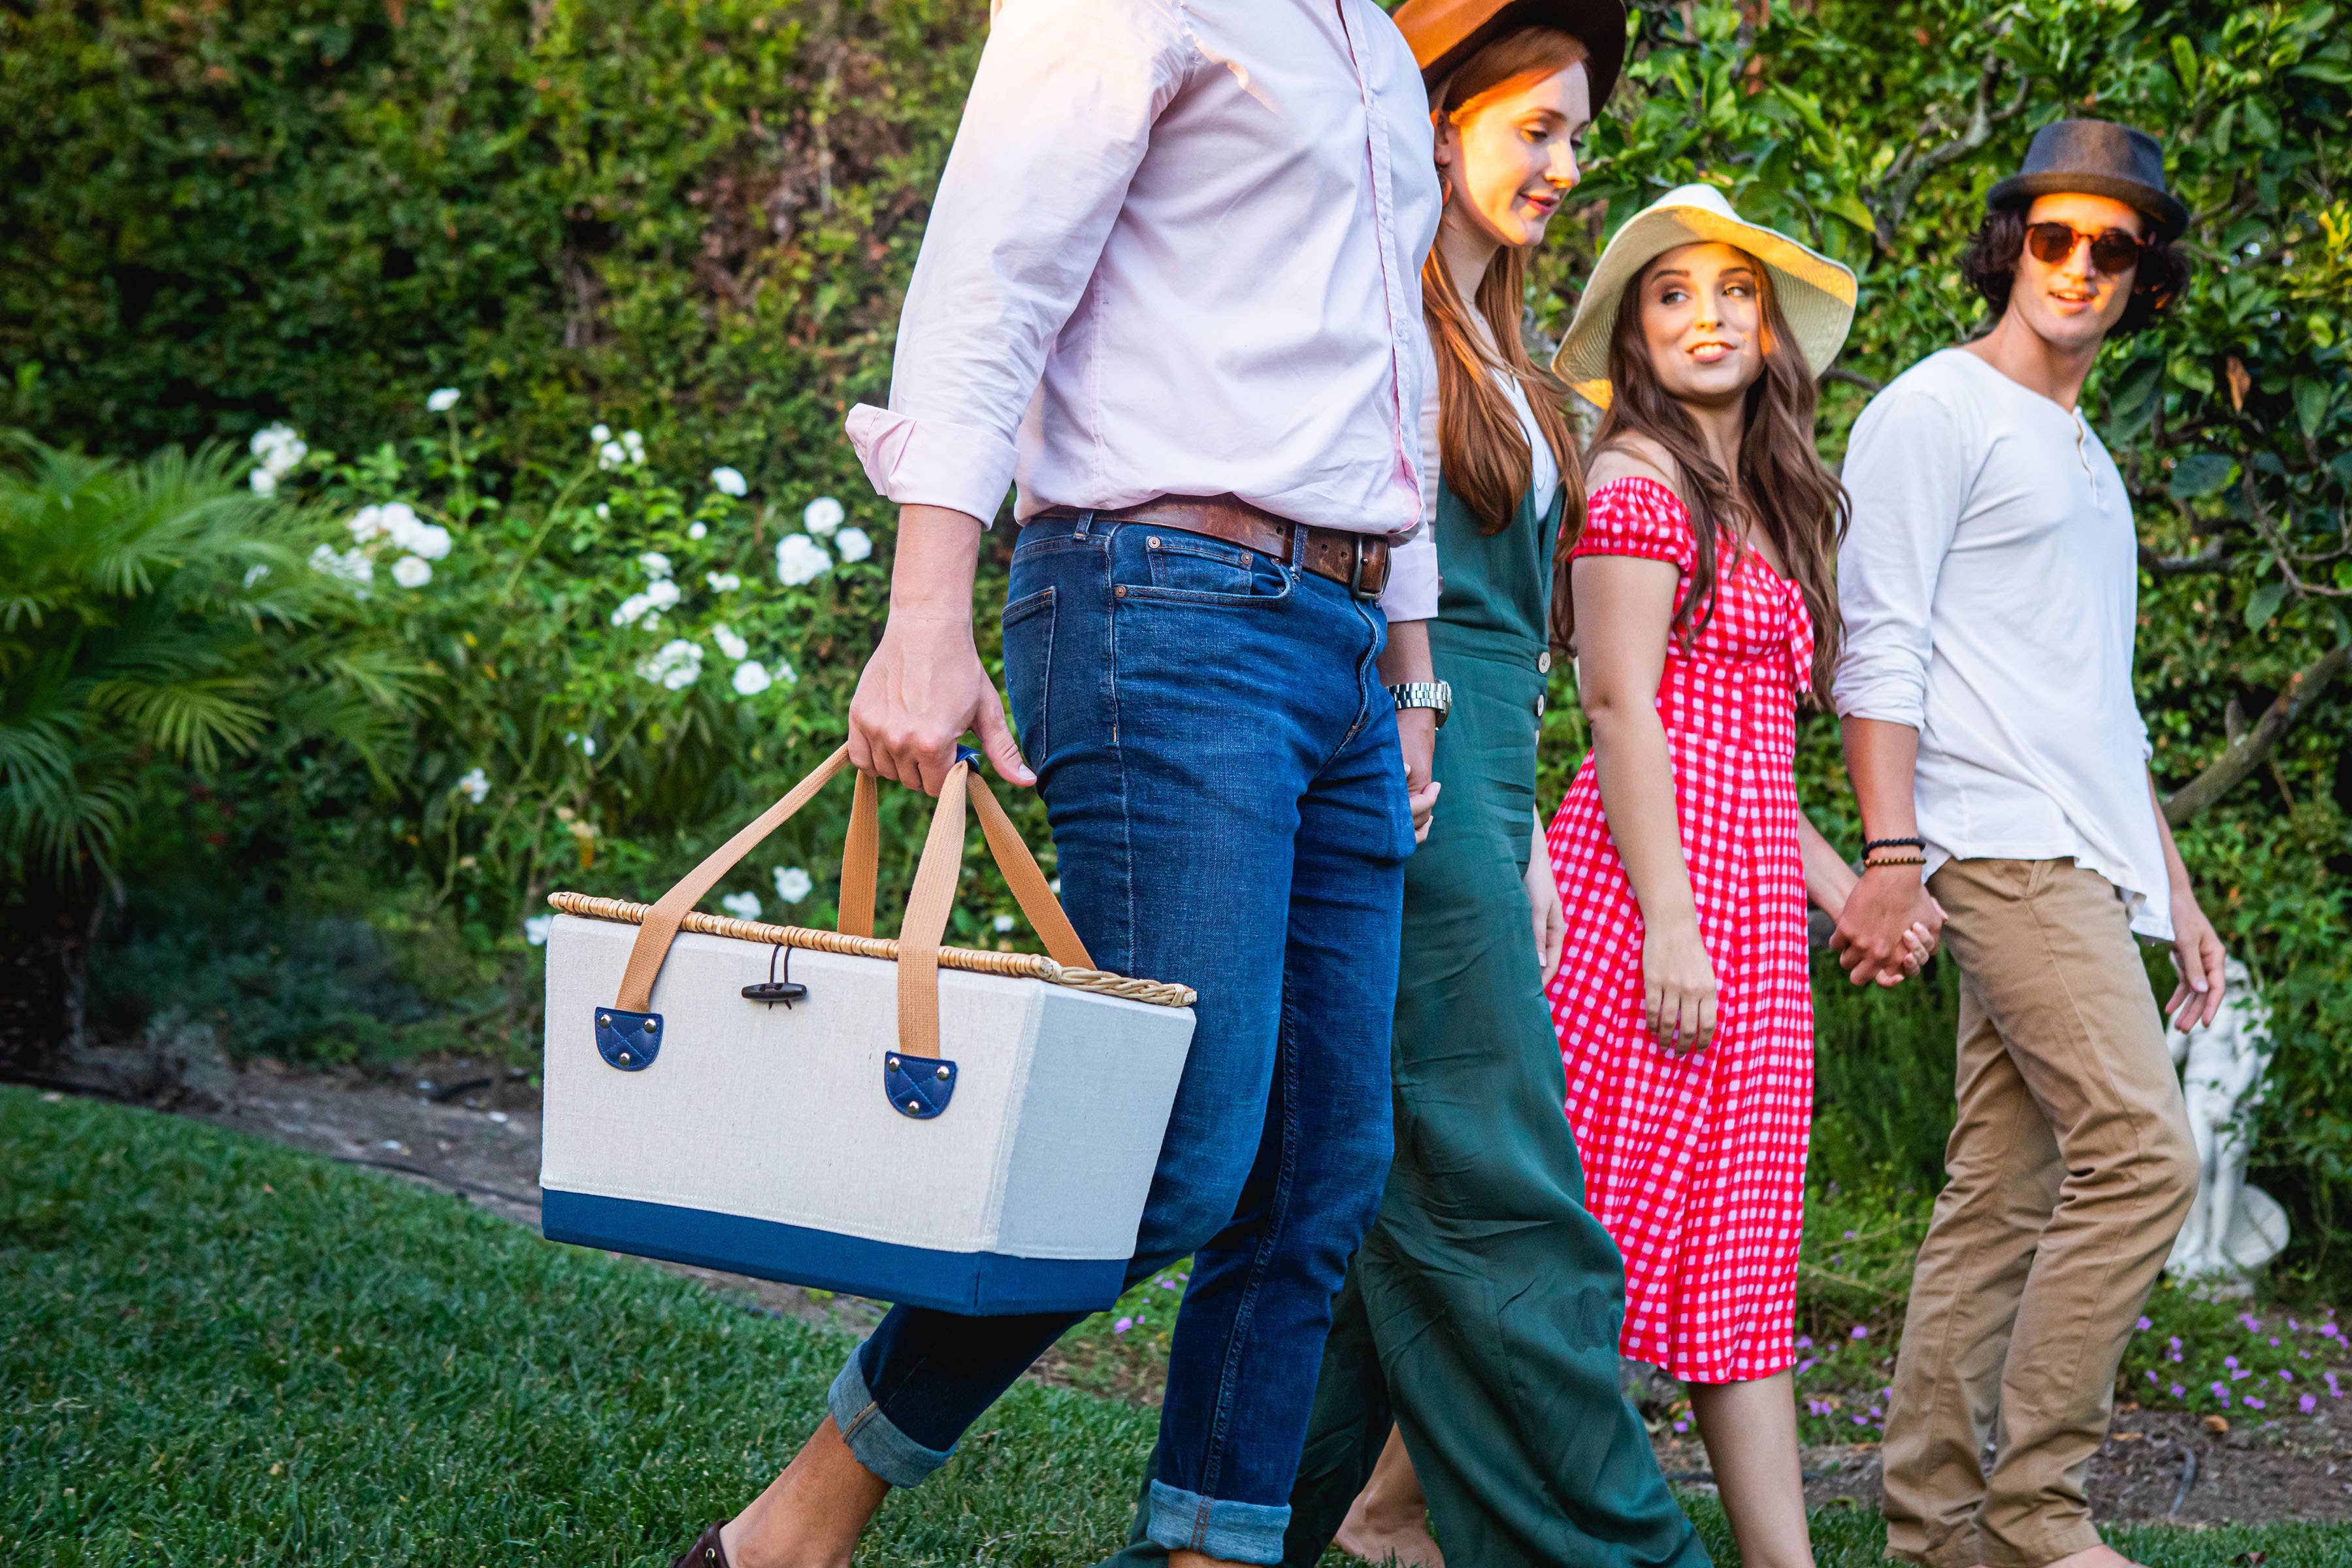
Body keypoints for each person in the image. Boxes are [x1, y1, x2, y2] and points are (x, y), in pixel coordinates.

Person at [668, 6, 1447, 1568]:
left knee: (1321, 1168)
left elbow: (1386, 369)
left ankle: (1202, 1553)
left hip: (1347, 644)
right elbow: (991, 270)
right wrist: (921, 614)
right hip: (1167, 603)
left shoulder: (1376, 37)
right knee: (1169, 1148)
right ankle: (792, 1531)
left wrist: (1413, 671)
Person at [1218, 7, 1708, 1566]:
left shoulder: (1507, 344)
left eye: (1577, 135)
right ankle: (1623, 1552)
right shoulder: (1375, 308)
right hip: (1398, 774)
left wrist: (1530, 837)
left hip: (1487, 784)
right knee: (1500, 1176)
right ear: (1436, 124)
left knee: (1364, 1194)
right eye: (1532, 130)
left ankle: (1224, 1540)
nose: (1564, 164)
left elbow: (1513, 639)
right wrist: (1450, 796)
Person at [1832, 119, 2227, 1568]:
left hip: (2080, 850)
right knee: (2143, 1153)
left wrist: (2172, 889)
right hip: (1993, 845)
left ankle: (1935, 1534)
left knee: (2000, 1200)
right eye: (2052, 238)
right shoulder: (1936, 410)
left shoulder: (2082, 453)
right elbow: (1879, 646)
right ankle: (2040, 1511)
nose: (2076, 267)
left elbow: (2097, 704)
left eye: (2109, 249)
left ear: (2142, 278)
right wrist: (1891, 852)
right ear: (2013, 248)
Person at [1539, 186, 1926, 1568]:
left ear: (1771, 331)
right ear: (1636, 339)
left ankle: (1786, 1563)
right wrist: (1669, 932)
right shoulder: (1637, 482)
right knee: (1590, 1229)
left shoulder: (1769, 501)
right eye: (1671, 293)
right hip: (1652, 903)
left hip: (1751, 916)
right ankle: (1395, 1504)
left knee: (1739, 1254)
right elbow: (1622, 710)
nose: (1707, 314)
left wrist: (1848, 890)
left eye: (1733, 291)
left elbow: (1749, 758)